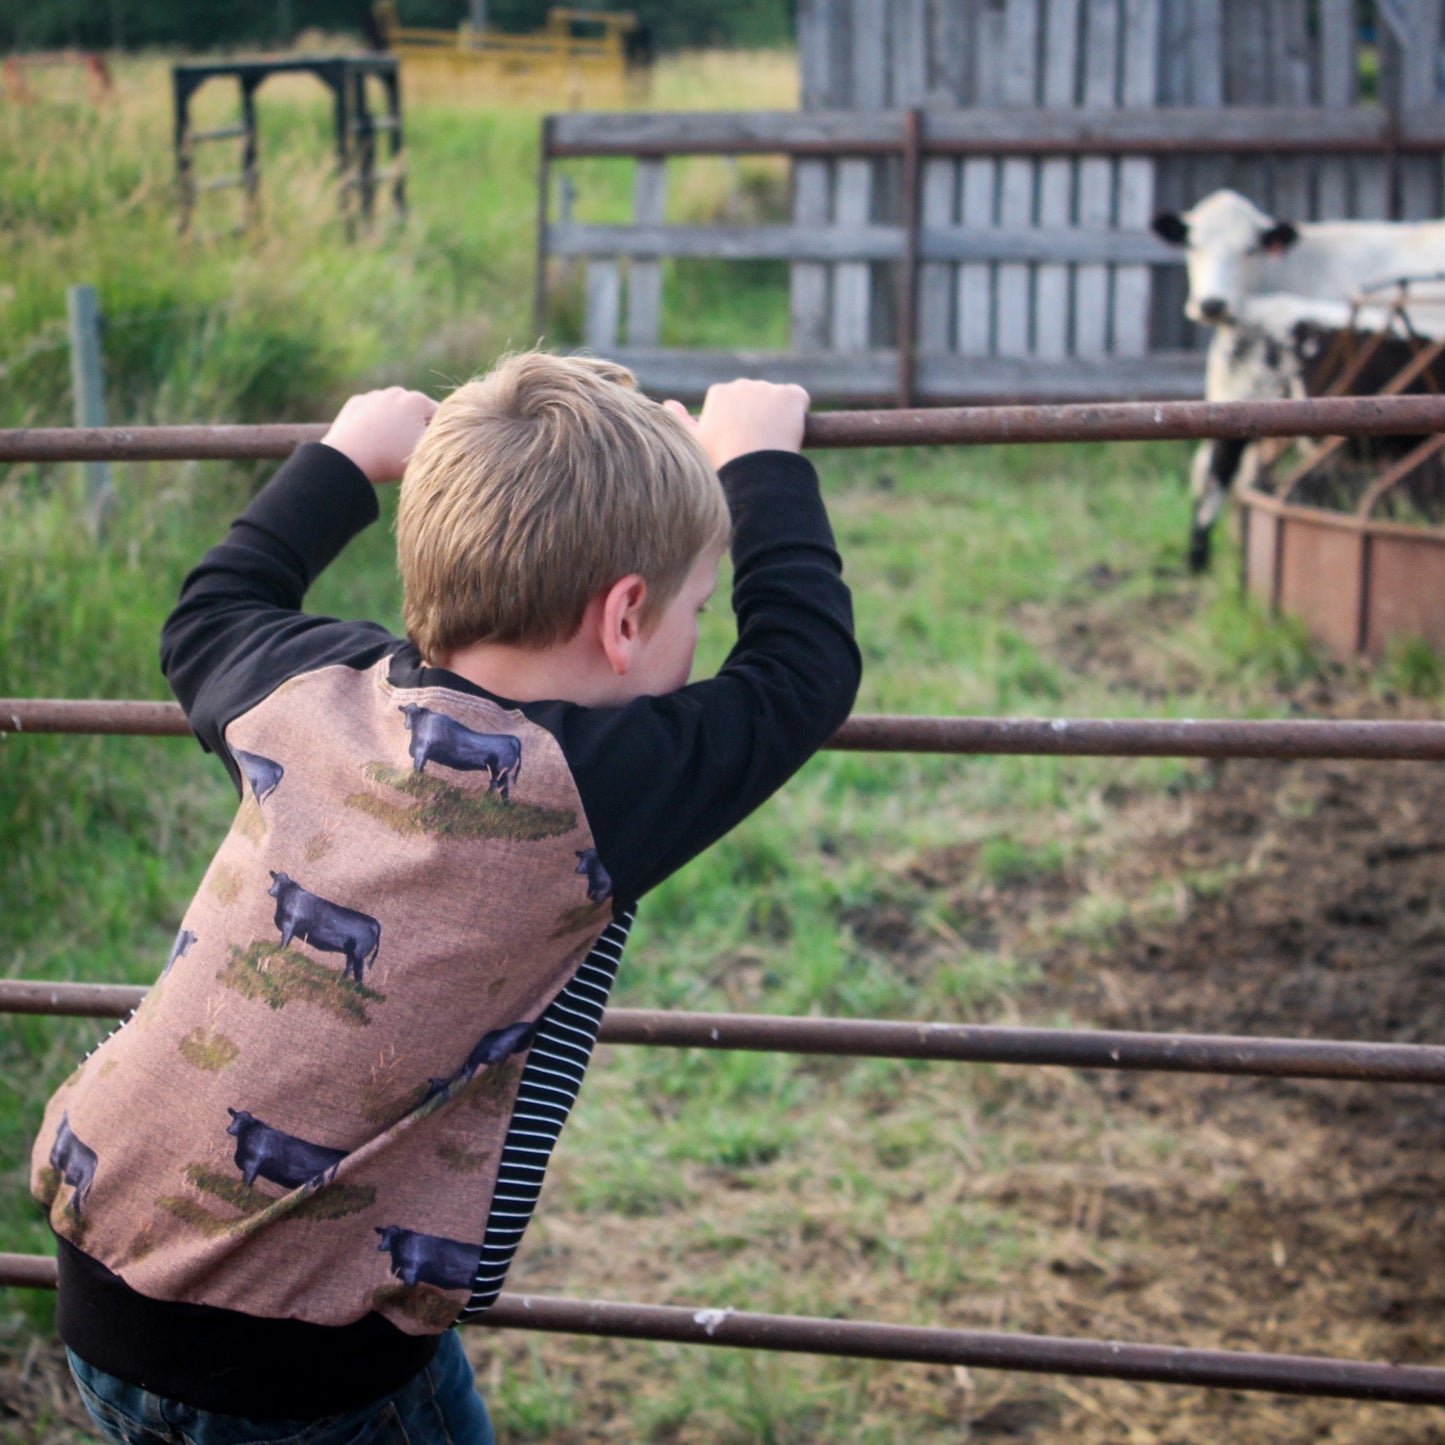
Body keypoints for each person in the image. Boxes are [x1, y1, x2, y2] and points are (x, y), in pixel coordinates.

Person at [32, 352, 861, 1444]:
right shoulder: (590, 785)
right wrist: (757, 455)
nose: (701, 633)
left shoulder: (313, 685)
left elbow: (213, 606)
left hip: (104, 1281)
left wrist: (345, 455)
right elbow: (802, 669)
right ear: (624, 617)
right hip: (302, 1366)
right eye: (695, 608)